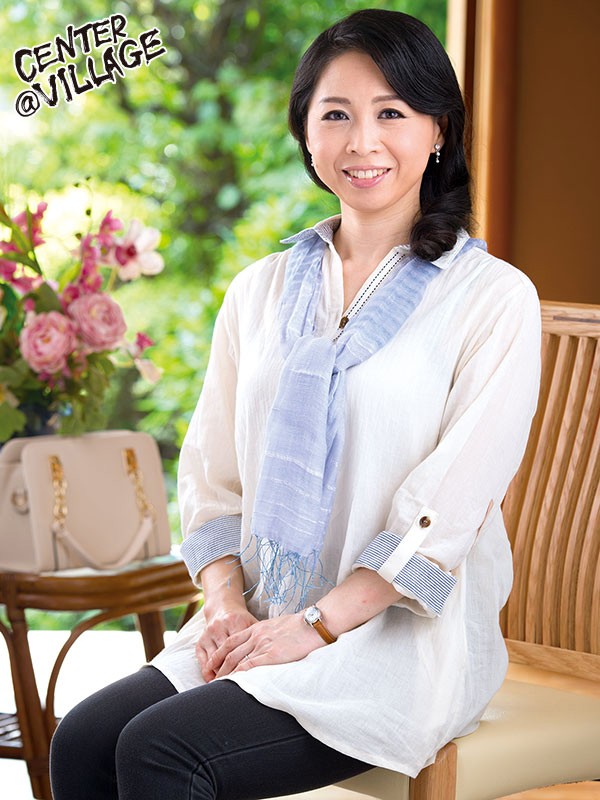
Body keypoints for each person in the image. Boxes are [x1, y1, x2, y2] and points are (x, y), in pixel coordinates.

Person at [50, 8, 541, 800]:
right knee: (83, 741)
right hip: (256, 617)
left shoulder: (491, 299)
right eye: (336, 114)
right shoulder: (260, 290)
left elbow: (449, 509)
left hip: (393, 644)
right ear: (306, 133)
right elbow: (211, 475)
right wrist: (225, 606)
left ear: (439, 130)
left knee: (161, 753)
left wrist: (314, 627)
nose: (362, 142)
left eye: (392, 113)